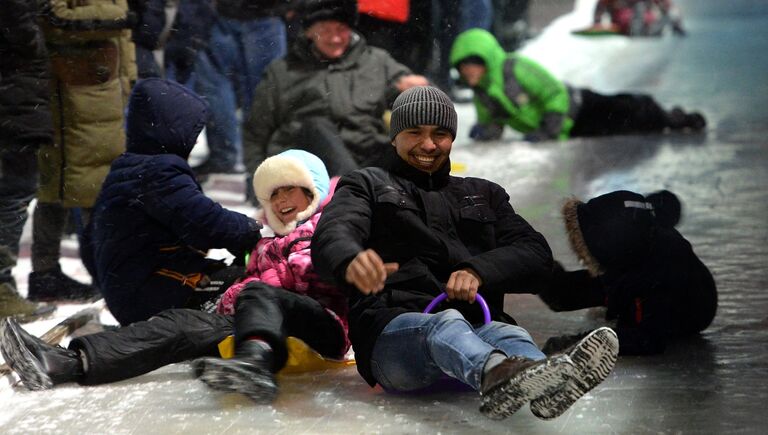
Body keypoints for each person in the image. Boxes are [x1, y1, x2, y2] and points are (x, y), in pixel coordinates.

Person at [311, 86, 619, 420]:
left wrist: (478, 270)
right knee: (446, 324)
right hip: (394, 340)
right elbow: (335, 231)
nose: (429, 145)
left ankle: (543, 379)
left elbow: (536, 256)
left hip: (478, 329)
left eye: (440, 134)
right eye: (415, 132)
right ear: (394, 136)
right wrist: (349, 258)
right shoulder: (366, 184)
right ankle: (500, 375)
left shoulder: (483, 194)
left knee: (508, 333)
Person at [1, 149, 350, 405]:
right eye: (273, 193)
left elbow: (317, 275)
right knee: (180, 325)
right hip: (268, 327)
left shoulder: (325, 228)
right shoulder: (268, 244)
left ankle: (256, 363)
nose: (281, 200)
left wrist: (246, 289)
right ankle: (64, 363)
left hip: (322, 329)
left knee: (256, 291)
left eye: (289, 188)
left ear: (313, 190)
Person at [82, 78, 262, 326]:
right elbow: (202, 220)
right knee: (254, 283)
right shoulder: (158, 171)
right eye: (193, 132)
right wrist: (248, 230)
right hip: (157, 290)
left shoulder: (127, 167)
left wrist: (112, 284)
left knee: (235, 275)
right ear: (169, 128)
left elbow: (87, 239)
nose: (196, 141)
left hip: (135, 291)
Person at [242, 0, 429, 180]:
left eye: (341, 30)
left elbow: (425, 100)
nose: (335, 38)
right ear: (309, 32)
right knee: (316, 126)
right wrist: (258, 176)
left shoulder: (376, 61)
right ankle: (356, 191)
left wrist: (418, 92)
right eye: (325, 31)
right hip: (309, 167)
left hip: (366, 155)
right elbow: (256, 131)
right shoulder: (282, 71)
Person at [28, 0, 137, 302]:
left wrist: (128, 80)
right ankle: (55, 272)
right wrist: (119, 17)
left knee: (97, 186)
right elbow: (54, 18)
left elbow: (123, 36)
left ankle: (98, 272)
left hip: (104, 90)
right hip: (71, 91)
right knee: (67, 187)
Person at [538, 190, 717, 355]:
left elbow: (647, 340)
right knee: (561, 292)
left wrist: (577, 344)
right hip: (629, 272)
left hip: (684, 308)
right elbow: (562, 294)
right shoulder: (638, 229)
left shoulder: (658, 278)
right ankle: (533, 267)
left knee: (628, 317)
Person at [449, 29, 705, 142]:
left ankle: (672, 118)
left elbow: (554, 93)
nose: (468, 72)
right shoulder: (482, 93)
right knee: (619, 128)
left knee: (630, 112)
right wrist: (485, 131)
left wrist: (550, 129)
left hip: (580, 108)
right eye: (463, 67)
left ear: (487, 61)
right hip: (569, 129)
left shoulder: (515, 68)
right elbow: (494, 121)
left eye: (473, 64)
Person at [0, 0, 56, 320]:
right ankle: (1, 287)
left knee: (14, 192)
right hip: (14, 96)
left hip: (17, 94)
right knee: (13, 193)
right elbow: (19, 30)